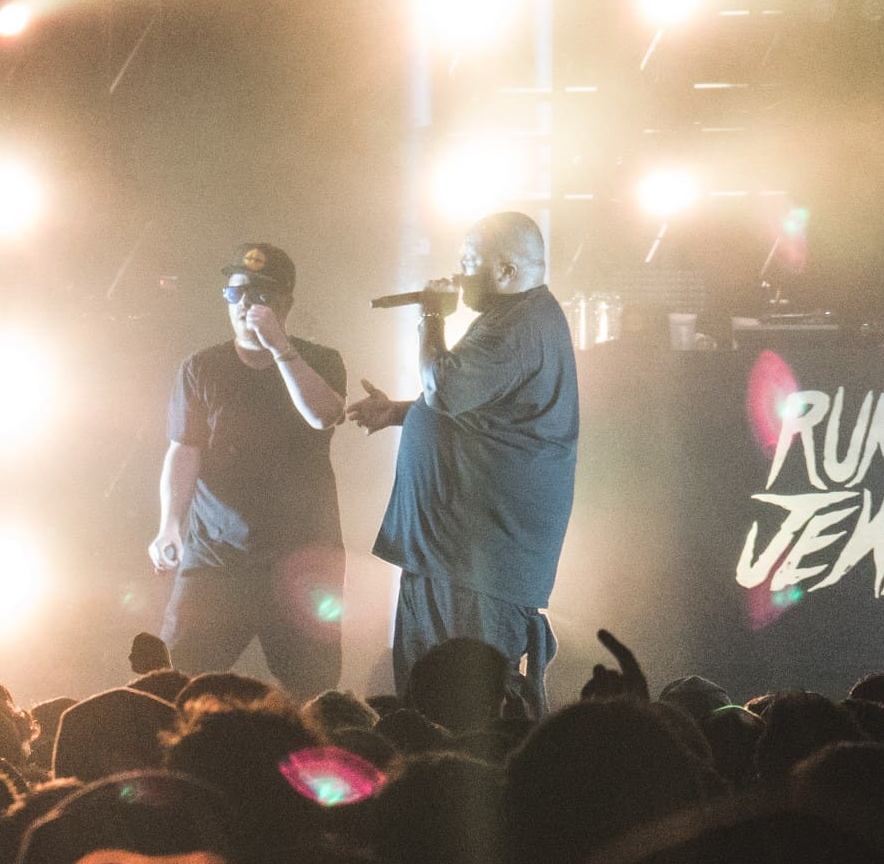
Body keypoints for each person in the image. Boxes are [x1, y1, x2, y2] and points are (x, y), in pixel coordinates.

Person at [347, 211, 578, 716]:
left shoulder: (519, 326)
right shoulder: (513, 319)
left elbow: (446, 387)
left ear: (507, 271)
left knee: (459, 710)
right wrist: (401, 413)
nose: (458, 273)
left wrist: (432, 317)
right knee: (426, 700)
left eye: (470, 262)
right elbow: (485, 408)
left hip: (475, 566)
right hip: (452, 558)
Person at [148, 242, 347, 701]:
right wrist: (170, 524)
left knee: (314, 693)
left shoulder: (321, 361)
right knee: (177, 681)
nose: (244, 305)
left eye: (259, 295)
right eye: (235, 293)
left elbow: (323, 415)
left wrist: (279, 347)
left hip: (303, 558)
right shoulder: (201, 367)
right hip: (218, 555)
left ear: (285, 304)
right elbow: (184, 450)